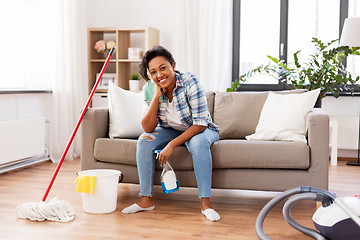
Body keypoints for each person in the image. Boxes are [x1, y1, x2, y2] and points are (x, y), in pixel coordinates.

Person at [121, 46, 220, 222]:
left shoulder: (191, 82)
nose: (159, 75)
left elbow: (200, 124)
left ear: (173, 65)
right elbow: (147, 128)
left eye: (163, 68)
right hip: (170, 129)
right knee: (144, 140)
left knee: (197, 144)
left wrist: (171, 145)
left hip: (199, 129)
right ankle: (146, 200)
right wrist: (156, 97)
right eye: (153, 72)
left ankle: (206, 204)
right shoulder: (150, 88)